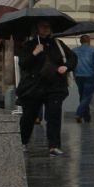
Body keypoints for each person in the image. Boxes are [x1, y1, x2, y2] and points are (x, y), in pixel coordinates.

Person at [16, 23, 73, 154]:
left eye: (48, 26)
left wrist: (67, 67)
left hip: (55, 86)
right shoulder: (29, 45)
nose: (46, 28)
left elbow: (72, 58)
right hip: (34, 87)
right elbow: (23, 64)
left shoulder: (58, 44)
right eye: (43, 26)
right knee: (29, 116)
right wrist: (35, 53)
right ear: (37, 28)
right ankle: (22, 141)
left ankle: (54, 146)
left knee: (54, 116)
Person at [72, 35, 94, 122]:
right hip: (91, 76)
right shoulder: (93, 50)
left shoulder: (74, 50)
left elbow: (72, 63)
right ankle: (78, 113)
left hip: (78, 76)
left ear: (80, 41)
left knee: (82, 96)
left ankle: (87, 117)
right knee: (87, 96)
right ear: (89, 41)